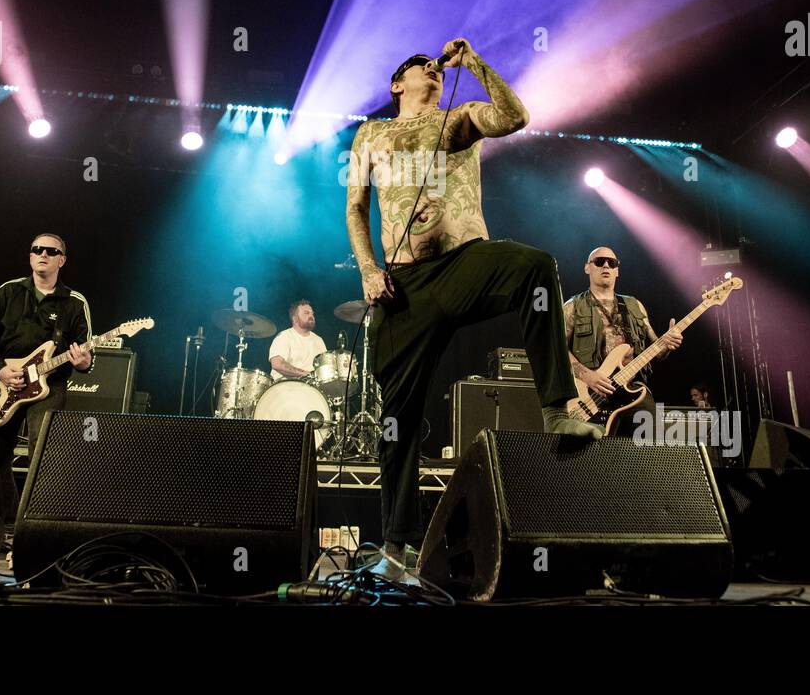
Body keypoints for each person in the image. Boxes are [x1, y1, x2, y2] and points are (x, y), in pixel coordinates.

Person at [345, 37, 600, 583]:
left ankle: (556, 404)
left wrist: (475, 63)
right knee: (398, 419)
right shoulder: (370, 135)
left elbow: (515, 116)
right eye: (421, 67)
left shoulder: (458, 119)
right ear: (397, 84)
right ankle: (396, 546)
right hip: (402, 288)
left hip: (463, 263)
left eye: (436, 68)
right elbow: (356, 207)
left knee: (535, 265)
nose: (432, 71)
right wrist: (369, 269)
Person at [0, 233, 93, 547]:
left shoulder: (74, 302)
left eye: (50, 251)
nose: (42, 254)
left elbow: (84, 356)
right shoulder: (8, 291)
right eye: (36, 250)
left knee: (43, 455)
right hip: (3, 382)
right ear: (30, 257)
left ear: (61, 260)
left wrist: (83, 361)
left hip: (50, 385)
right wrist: (0, 369)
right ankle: (8, 526)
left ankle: (38, 532)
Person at [563, 246, 682, 435]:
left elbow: (658, 352)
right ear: (587, 268)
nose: (606, 266)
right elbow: (556, 350)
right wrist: (588, 376)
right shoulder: (572, 307)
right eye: (599, 261)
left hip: (630, 389)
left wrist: (668, 343)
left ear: (617, 270)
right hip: (589, 391)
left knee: (652, 438)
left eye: (612, 263)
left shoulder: (634, 306)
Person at [267, 300, 327, 380]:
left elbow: (325, 366)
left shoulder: (319, 340)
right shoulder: (284, 336)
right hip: (286, 387)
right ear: (295, 319)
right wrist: (305, 374)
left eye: (312, 313)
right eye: (306, 313)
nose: (311, 316)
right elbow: (277, 364)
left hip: (312, 388)